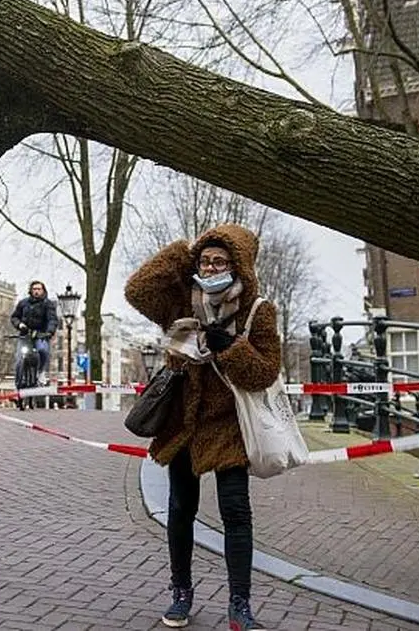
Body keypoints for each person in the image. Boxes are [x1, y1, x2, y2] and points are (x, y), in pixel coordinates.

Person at [124, 224, 281, 631]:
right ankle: (181, 592)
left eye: (220, 261)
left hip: (229, 422)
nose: (211, 268)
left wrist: (231, 348)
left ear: (239, 266)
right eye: (205, 260)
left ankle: (239, 604)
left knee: (236, 512)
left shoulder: (257, 309)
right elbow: (137, 290)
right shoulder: (181, 300)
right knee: (180, 508)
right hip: (185, 419)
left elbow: (266, 370)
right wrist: (184, 252)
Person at [9, 280, 59, 385]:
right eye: (34, 289)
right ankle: (18, 384)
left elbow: (52, 320)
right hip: (25, 335)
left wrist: (49, 332)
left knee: (43, 350)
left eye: (39, 289)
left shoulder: (48, 304)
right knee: (19, 359)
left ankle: (41, 372)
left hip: (41, 334)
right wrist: (19, 324)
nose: (36, 291)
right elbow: (14, 317)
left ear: (43, 290)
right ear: (31, 291)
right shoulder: (23, 303)